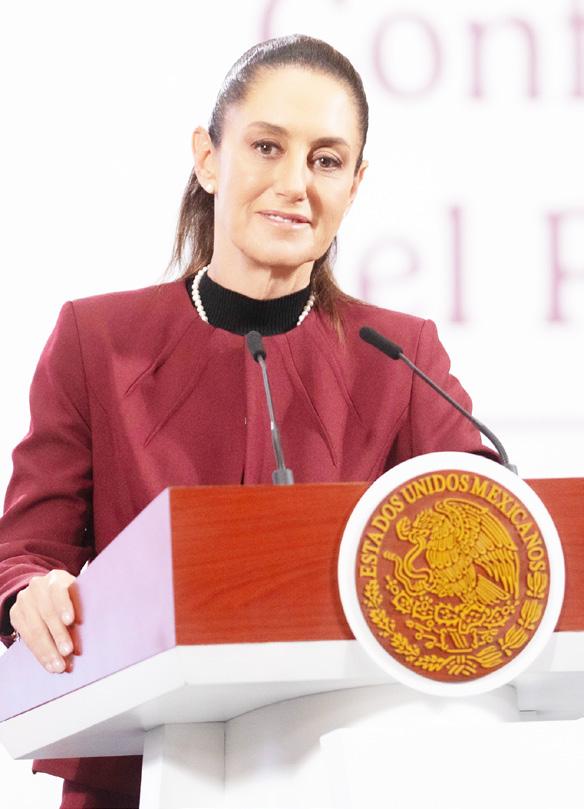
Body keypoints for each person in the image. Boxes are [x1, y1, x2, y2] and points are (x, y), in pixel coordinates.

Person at [0, 34, 497, 808]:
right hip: (136, 772)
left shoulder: (400, 354)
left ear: (355, 184)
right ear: (208, 158)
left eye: (326, 160)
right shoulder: (96, 340)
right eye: (267, 147)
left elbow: (485, 514)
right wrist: (30, 591)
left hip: (341, 773)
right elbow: (26, 551)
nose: (295, 184)